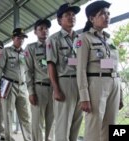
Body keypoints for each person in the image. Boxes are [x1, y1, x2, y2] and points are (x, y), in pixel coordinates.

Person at [76, 1, 123, 141]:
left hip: (113, 84)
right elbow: (81, 69)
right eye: (102, 14)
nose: (107, 16)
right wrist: (84, 97)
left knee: (111, 126)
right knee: (94, 126)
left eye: (108, 13)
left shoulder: (109, 41)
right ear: (92, 19)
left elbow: (115, 68)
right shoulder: (84, 38)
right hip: (96, 85)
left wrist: (119, 93)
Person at [46, 3, 83, 141]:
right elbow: (51, 65)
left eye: (73, 15)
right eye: (67, 15)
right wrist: (56, 89)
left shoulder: (80, 39)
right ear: (59, 20)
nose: (71, 17)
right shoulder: (54, 39)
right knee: (63, 124)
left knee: (77, 122)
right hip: (65, 82)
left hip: (81, 83)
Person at [0, 28, 32, 141]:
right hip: (9, 86)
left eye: (22, 38)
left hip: (23, 86)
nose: (21, 40)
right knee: (8, 114)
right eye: (18, 38)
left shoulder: (25, 53)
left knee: (26, 116)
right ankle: (9, 138)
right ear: (13, 38)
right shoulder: (5, 51)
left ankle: (28, 139)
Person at [24, 19, 53, 141]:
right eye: (41, 29)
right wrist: (31, 92)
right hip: (39, 88)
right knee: (37, 122)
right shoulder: (30, 48)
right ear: (35, 32)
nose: (44, 31)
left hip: (54, 88)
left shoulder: (54, 46)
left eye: (46, 28)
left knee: (52, 121)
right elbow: (28, 71)